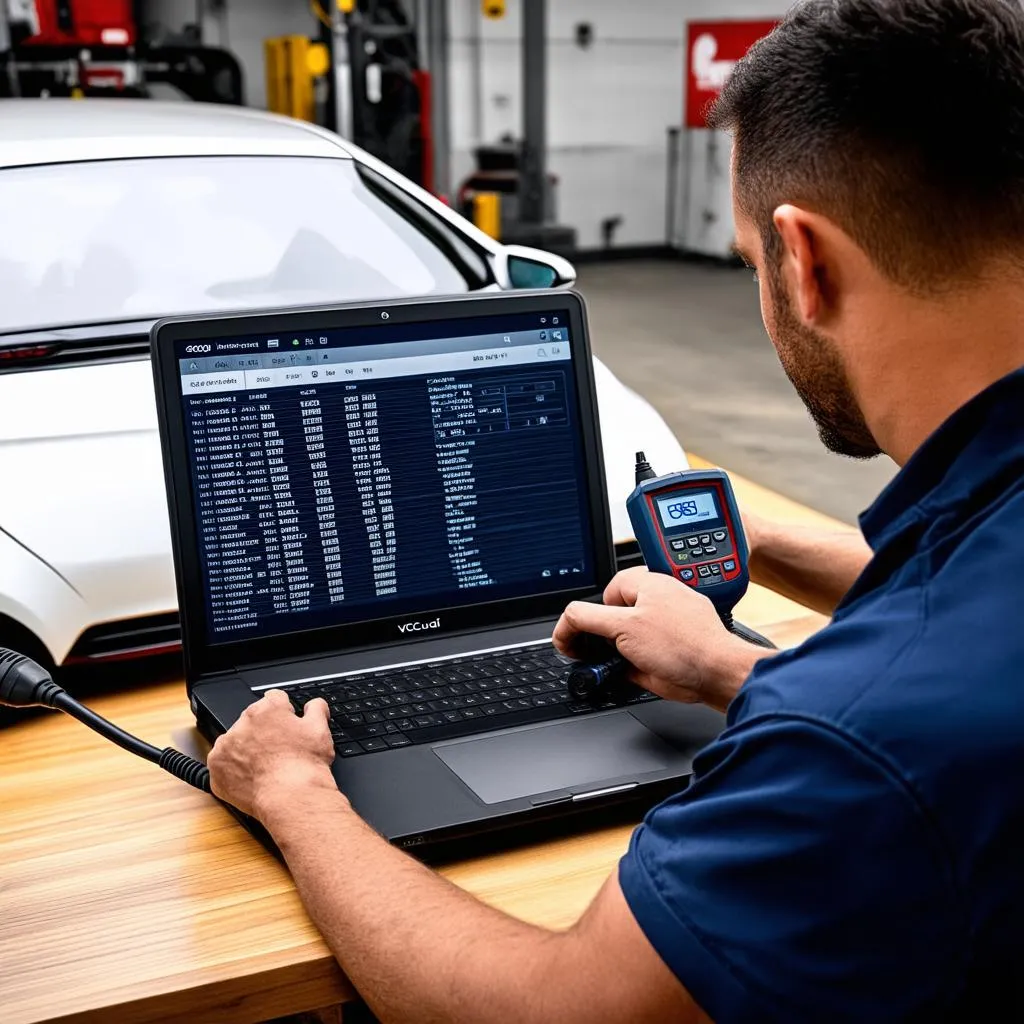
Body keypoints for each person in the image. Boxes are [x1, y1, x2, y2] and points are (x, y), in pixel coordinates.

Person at [205, 1, 1024, 1019]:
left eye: (747, 265)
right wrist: (738, 643)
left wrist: (293, 792)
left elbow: (553, 1010)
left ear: (803, 262)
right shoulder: (964, 583)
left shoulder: (856, 738)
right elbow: (972, 597)